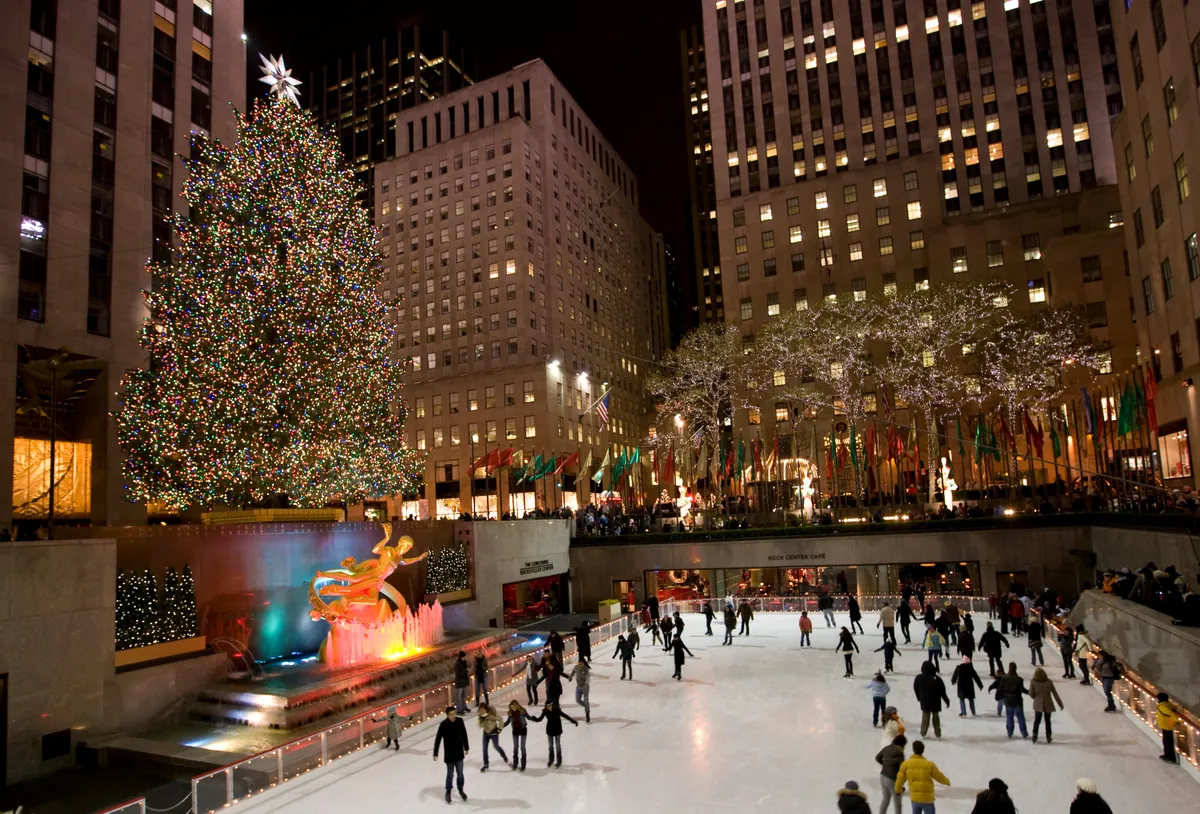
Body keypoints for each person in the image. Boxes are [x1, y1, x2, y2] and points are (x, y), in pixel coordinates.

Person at [894, 740, 950, 814]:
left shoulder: (906, 764)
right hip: (927, 799)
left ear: (913, 750)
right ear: (922, 751)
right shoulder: (929, 764)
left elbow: (900, 779)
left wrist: (897, 790)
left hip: (915, 798)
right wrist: (947, 782)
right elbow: (938, 775)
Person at [432, 706, 470, 804]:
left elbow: (464, 734)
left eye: (454, 714)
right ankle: (448, 791)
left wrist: (466, 747)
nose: (453, 716)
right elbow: (438, 739)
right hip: (449, 755)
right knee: (450, 775)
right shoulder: (443, 725)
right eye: (451, 715)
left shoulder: (460, 721)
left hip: (459, 753)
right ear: (447, 715)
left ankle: (460, 789)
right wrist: (435, 753)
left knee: (460, 774)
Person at [528, 701, 578, 768]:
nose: (548, 706)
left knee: (557, 745)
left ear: (552, 705)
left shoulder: (557, 710)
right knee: (550, 745)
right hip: (550, 730)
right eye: (547, 705)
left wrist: (574, 721)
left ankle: (559, 761)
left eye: (549, 705)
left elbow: (566, 716)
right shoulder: (545, 711)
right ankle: (551, 759)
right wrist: (533, 718)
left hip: (557, 729)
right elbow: (539, 719)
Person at [913, 661, 950, 739]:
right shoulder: (937, 679)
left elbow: (915, 688)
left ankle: (923, 733)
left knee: (925, 717)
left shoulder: (919, 678)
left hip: (925, 702)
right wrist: (947, 701)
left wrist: (919, 697)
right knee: (936, 718)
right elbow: (942, 692)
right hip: (935, 702)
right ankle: (938, 734)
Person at [1028, 667, 1063, 744]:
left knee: (1037, 720)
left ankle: (1035, 734)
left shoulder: (1033, 682)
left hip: (1038, 703)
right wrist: (1060, 704)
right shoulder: (1049, 682)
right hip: (1048, 703)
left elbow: (1030, 693)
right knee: (1047, 720)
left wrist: (1035, 697)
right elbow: (1055, 694)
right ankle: (1048, 735)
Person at [875, 734, 907, 814]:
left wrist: (885, 765)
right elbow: (902, 768)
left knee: (885, 800)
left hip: (882, 776)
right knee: (897, 804)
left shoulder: (886, 748)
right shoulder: (900, 752)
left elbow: (877, 758)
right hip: (892, 779)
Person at [998, 662, 1030, 739]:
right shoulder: (1019, 679)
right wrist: (1029, 692)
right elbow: (1022, 690)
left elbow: (1000, 689)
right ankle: (1024, 733)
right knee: (1020, 717)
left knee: (1009, 717)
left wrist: (1002, 695)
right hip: (1017, 700)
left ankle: (1010, 732)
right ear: (1015, 668)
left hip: (1008, 700)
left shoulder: (1004, 678)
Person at [476, 702, 508, 771]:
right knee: (484, 748)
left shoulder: (491, 716)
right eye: (480, 710)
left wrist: (499, 729)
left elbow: (500, 719)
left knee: (496, 746)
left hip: (493, 733)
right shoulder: (481, 717)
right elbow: (480, 726)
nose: (481, 711)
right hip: (486, 734)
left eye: (482, 710)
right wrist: (481, 719)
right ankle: (486, 764)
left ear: (485, 710)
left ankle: (503, 755)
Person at [566, 658, 592, 723]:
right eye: (579, 663)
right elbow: (573, 672)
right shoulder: (576, 667)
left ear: (583, 664)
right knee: (578, 700)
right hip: (578, 687)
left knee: (586, 699)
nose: (580, 665)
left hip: (585, 687)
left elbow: (588, 676)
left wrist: (586, 683)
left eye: (581, 664)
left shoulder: (585, 669)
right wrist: (570, 677)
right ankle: (586, 707)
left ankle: (587, 714)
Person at [1156, 691, 1179, 763]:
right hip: (1167, 725)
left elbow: (1170, 714)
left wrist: (1177, 720)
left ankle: (1170, 756)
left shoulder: (1162, 706)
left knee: (1167, 742)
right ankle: (1168, 755)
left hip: (1166, 726)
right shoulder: (1167, 704)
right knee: (1167, 741)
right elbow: (1172, 708)